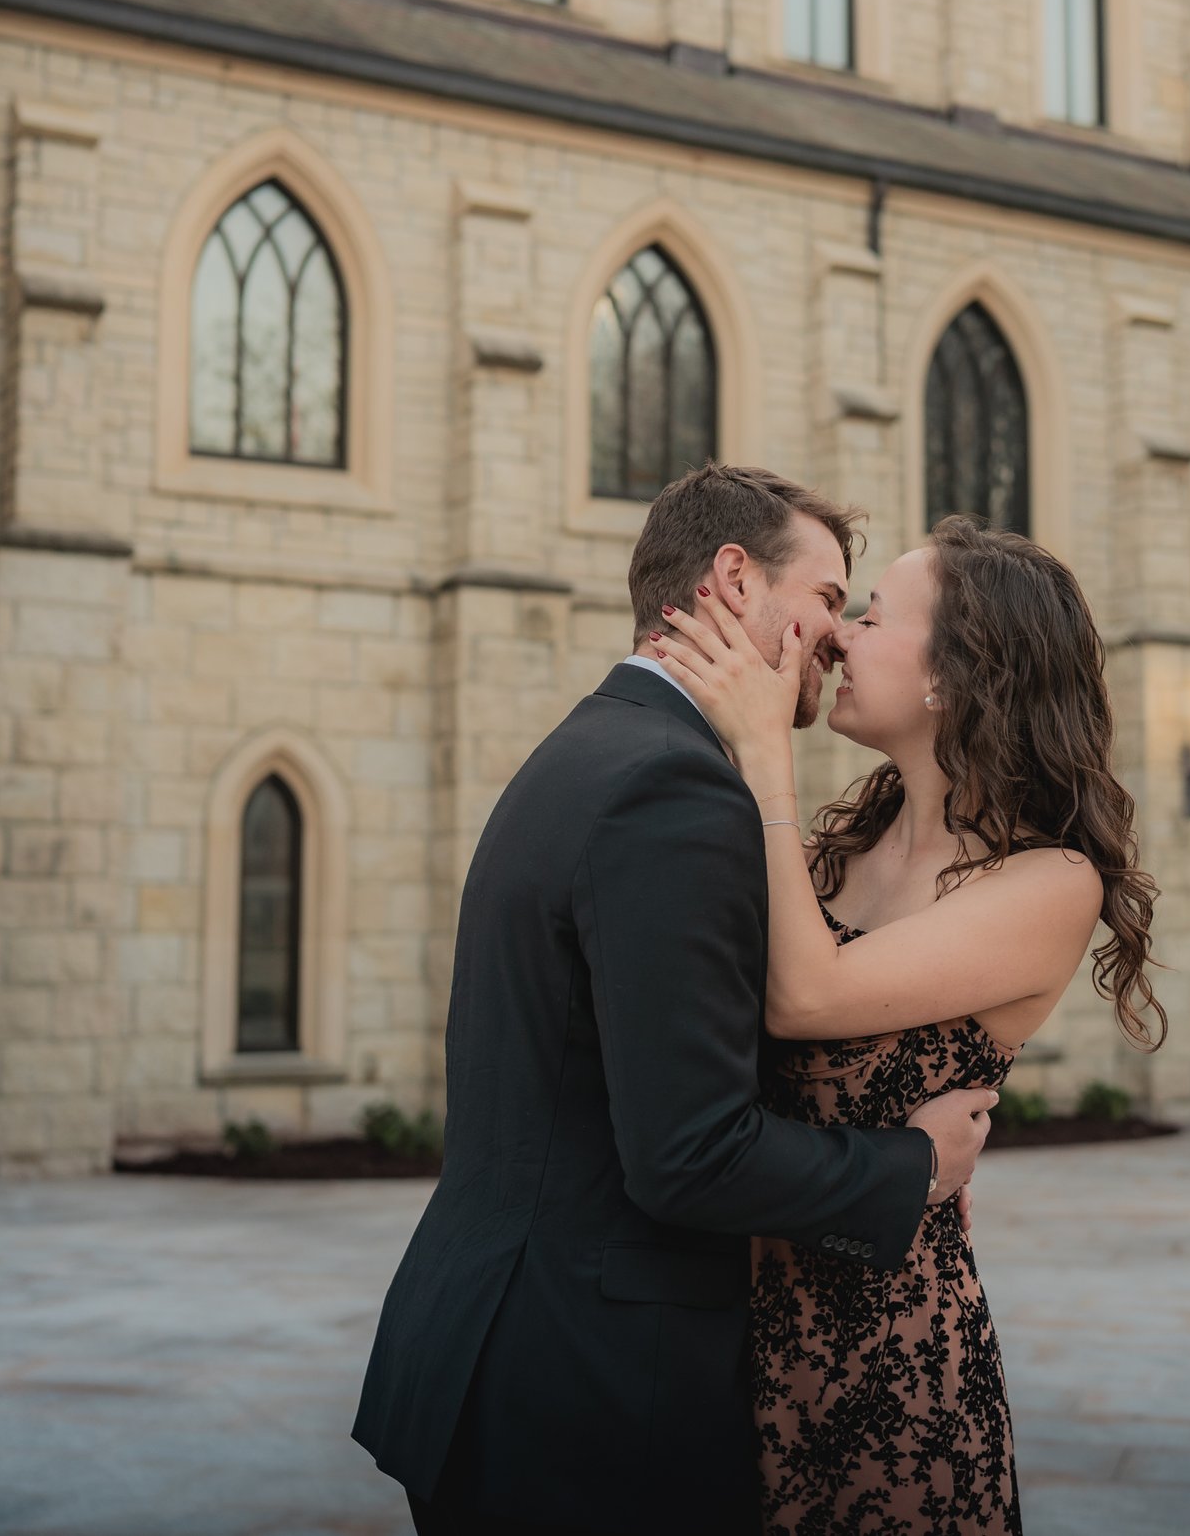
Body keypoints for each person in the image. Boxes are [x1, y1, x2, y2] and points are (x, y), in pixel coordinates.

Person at [351, 464, 1001, 1536]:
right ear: (734, 581)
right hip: (589, 1396)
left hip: (503, 1356)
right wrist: (912, 1164)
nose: (836, 637)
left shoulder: (594, 746)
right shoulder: (675, 787)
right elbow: (690, 1153)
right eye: (827, 598)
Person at [650, 513, 1164, 1535]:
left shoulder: (1049, 882)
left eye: (875, 616)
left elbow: (803, 997)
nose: (840, 635)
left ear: (954, 678)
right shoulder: (840, 847)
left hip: (891, 1361)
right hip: (736, 1330)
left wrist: (761, 746)